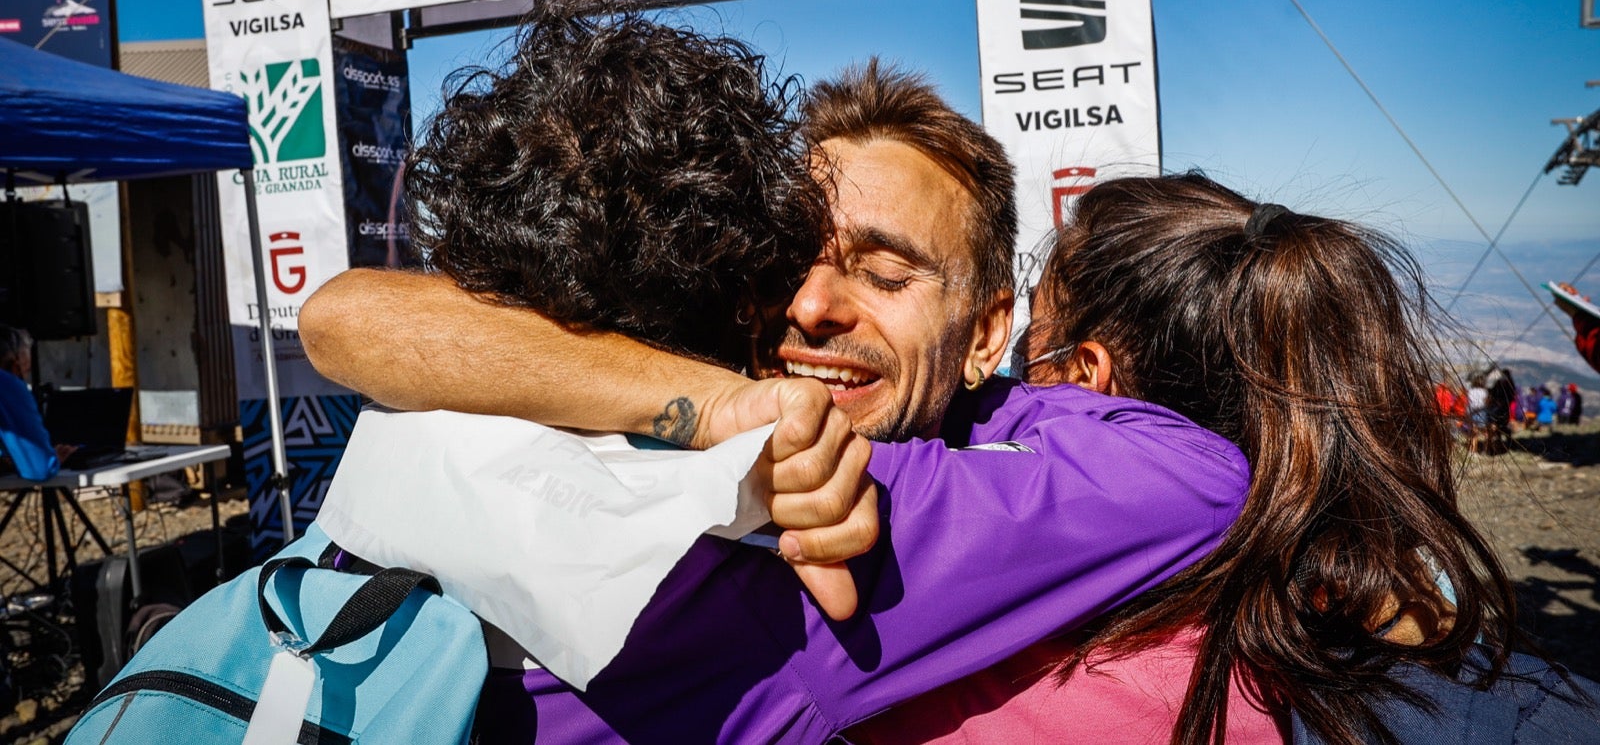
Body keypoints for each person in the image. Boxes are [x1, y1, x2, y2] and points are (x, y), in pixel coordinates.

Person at [300, 53, 1249, 743]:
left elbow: (346, 317)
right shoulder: (781, 546)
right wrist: (726, 411)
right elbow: (1200, 475)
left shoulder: (483, 429)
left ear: (989, 334)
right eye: (787, 263)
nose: (810, 304)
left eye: (884, 275)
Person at [849, 175, 1598, 745]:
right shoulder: (1506, 696)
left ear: (1085, 376)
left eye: (1026, 357)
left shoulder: (952, 680)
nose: (1005, 387)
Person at [0, 324, 59, 482]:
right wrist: (53, 459)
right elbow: (39, 469)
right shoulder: (7, 384)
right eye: (23, 373)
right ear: (15, 363)